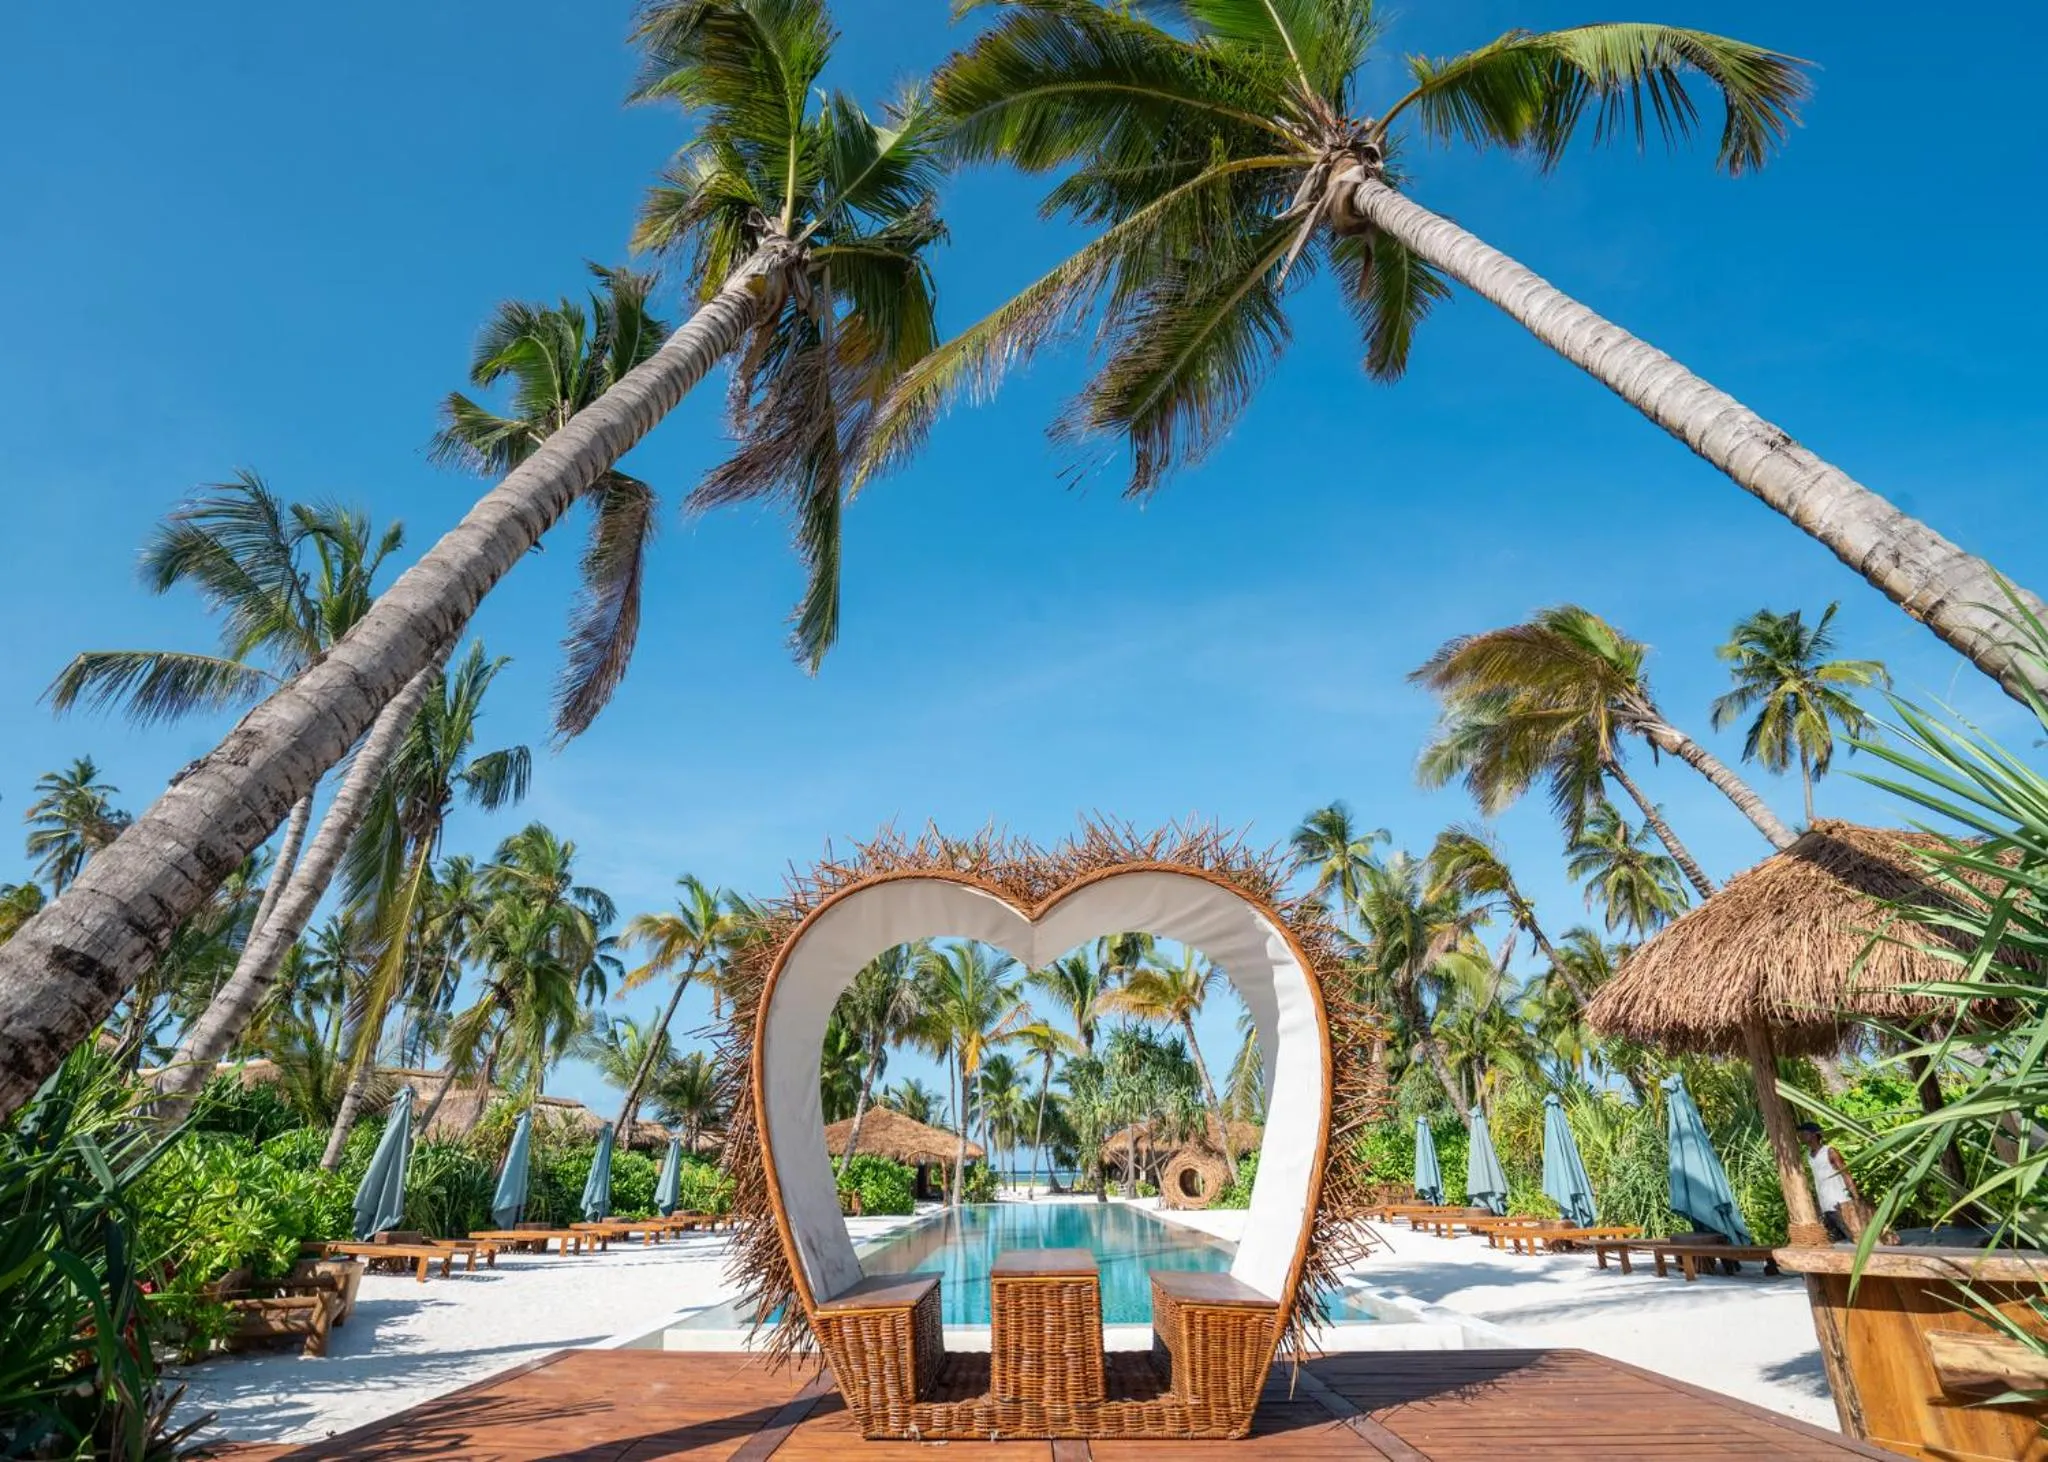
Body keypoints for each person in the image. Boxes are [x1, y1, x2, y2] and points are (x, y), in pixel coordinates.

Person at [1797, 1121, 1868, 1241]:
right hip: (1825, 1204)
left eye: (1803, 1133)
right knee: (1837, 1240)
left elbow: (1845, 1173)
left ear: (1814, 1134)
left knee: (1854, 1236)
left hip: (1839, 1201)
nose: (1800, 1136)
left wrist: (1856, 1197)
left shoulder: (1829, 1151)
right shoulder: (1809, 1155)